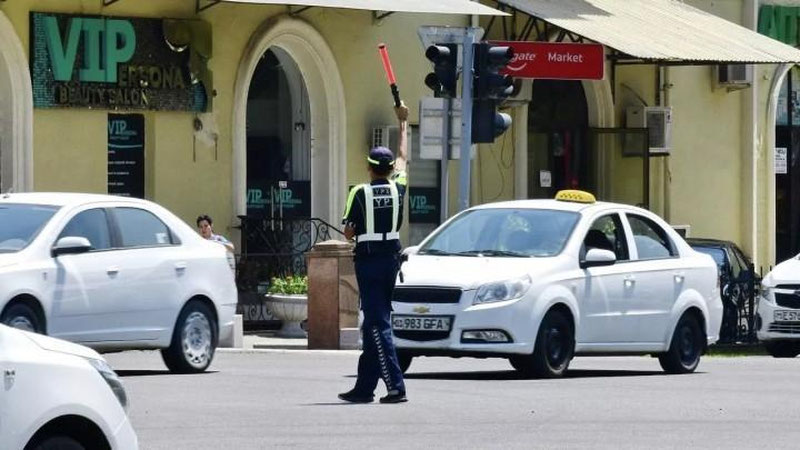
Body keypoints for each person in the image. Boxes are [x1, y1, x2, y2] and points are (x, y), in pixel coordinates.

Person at [338, 101, 409, 404]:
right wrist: (403, 123)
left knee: (378, 322)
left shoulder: (359, 192)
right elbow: (405, 158)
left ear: (368, 167)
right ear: (391, 169)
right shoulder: (399, 187)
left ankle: (395, 386)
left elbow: (349, 232)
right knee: (372, 323)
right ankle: (364, 388)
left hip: (368, 261)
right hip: (391, 260)